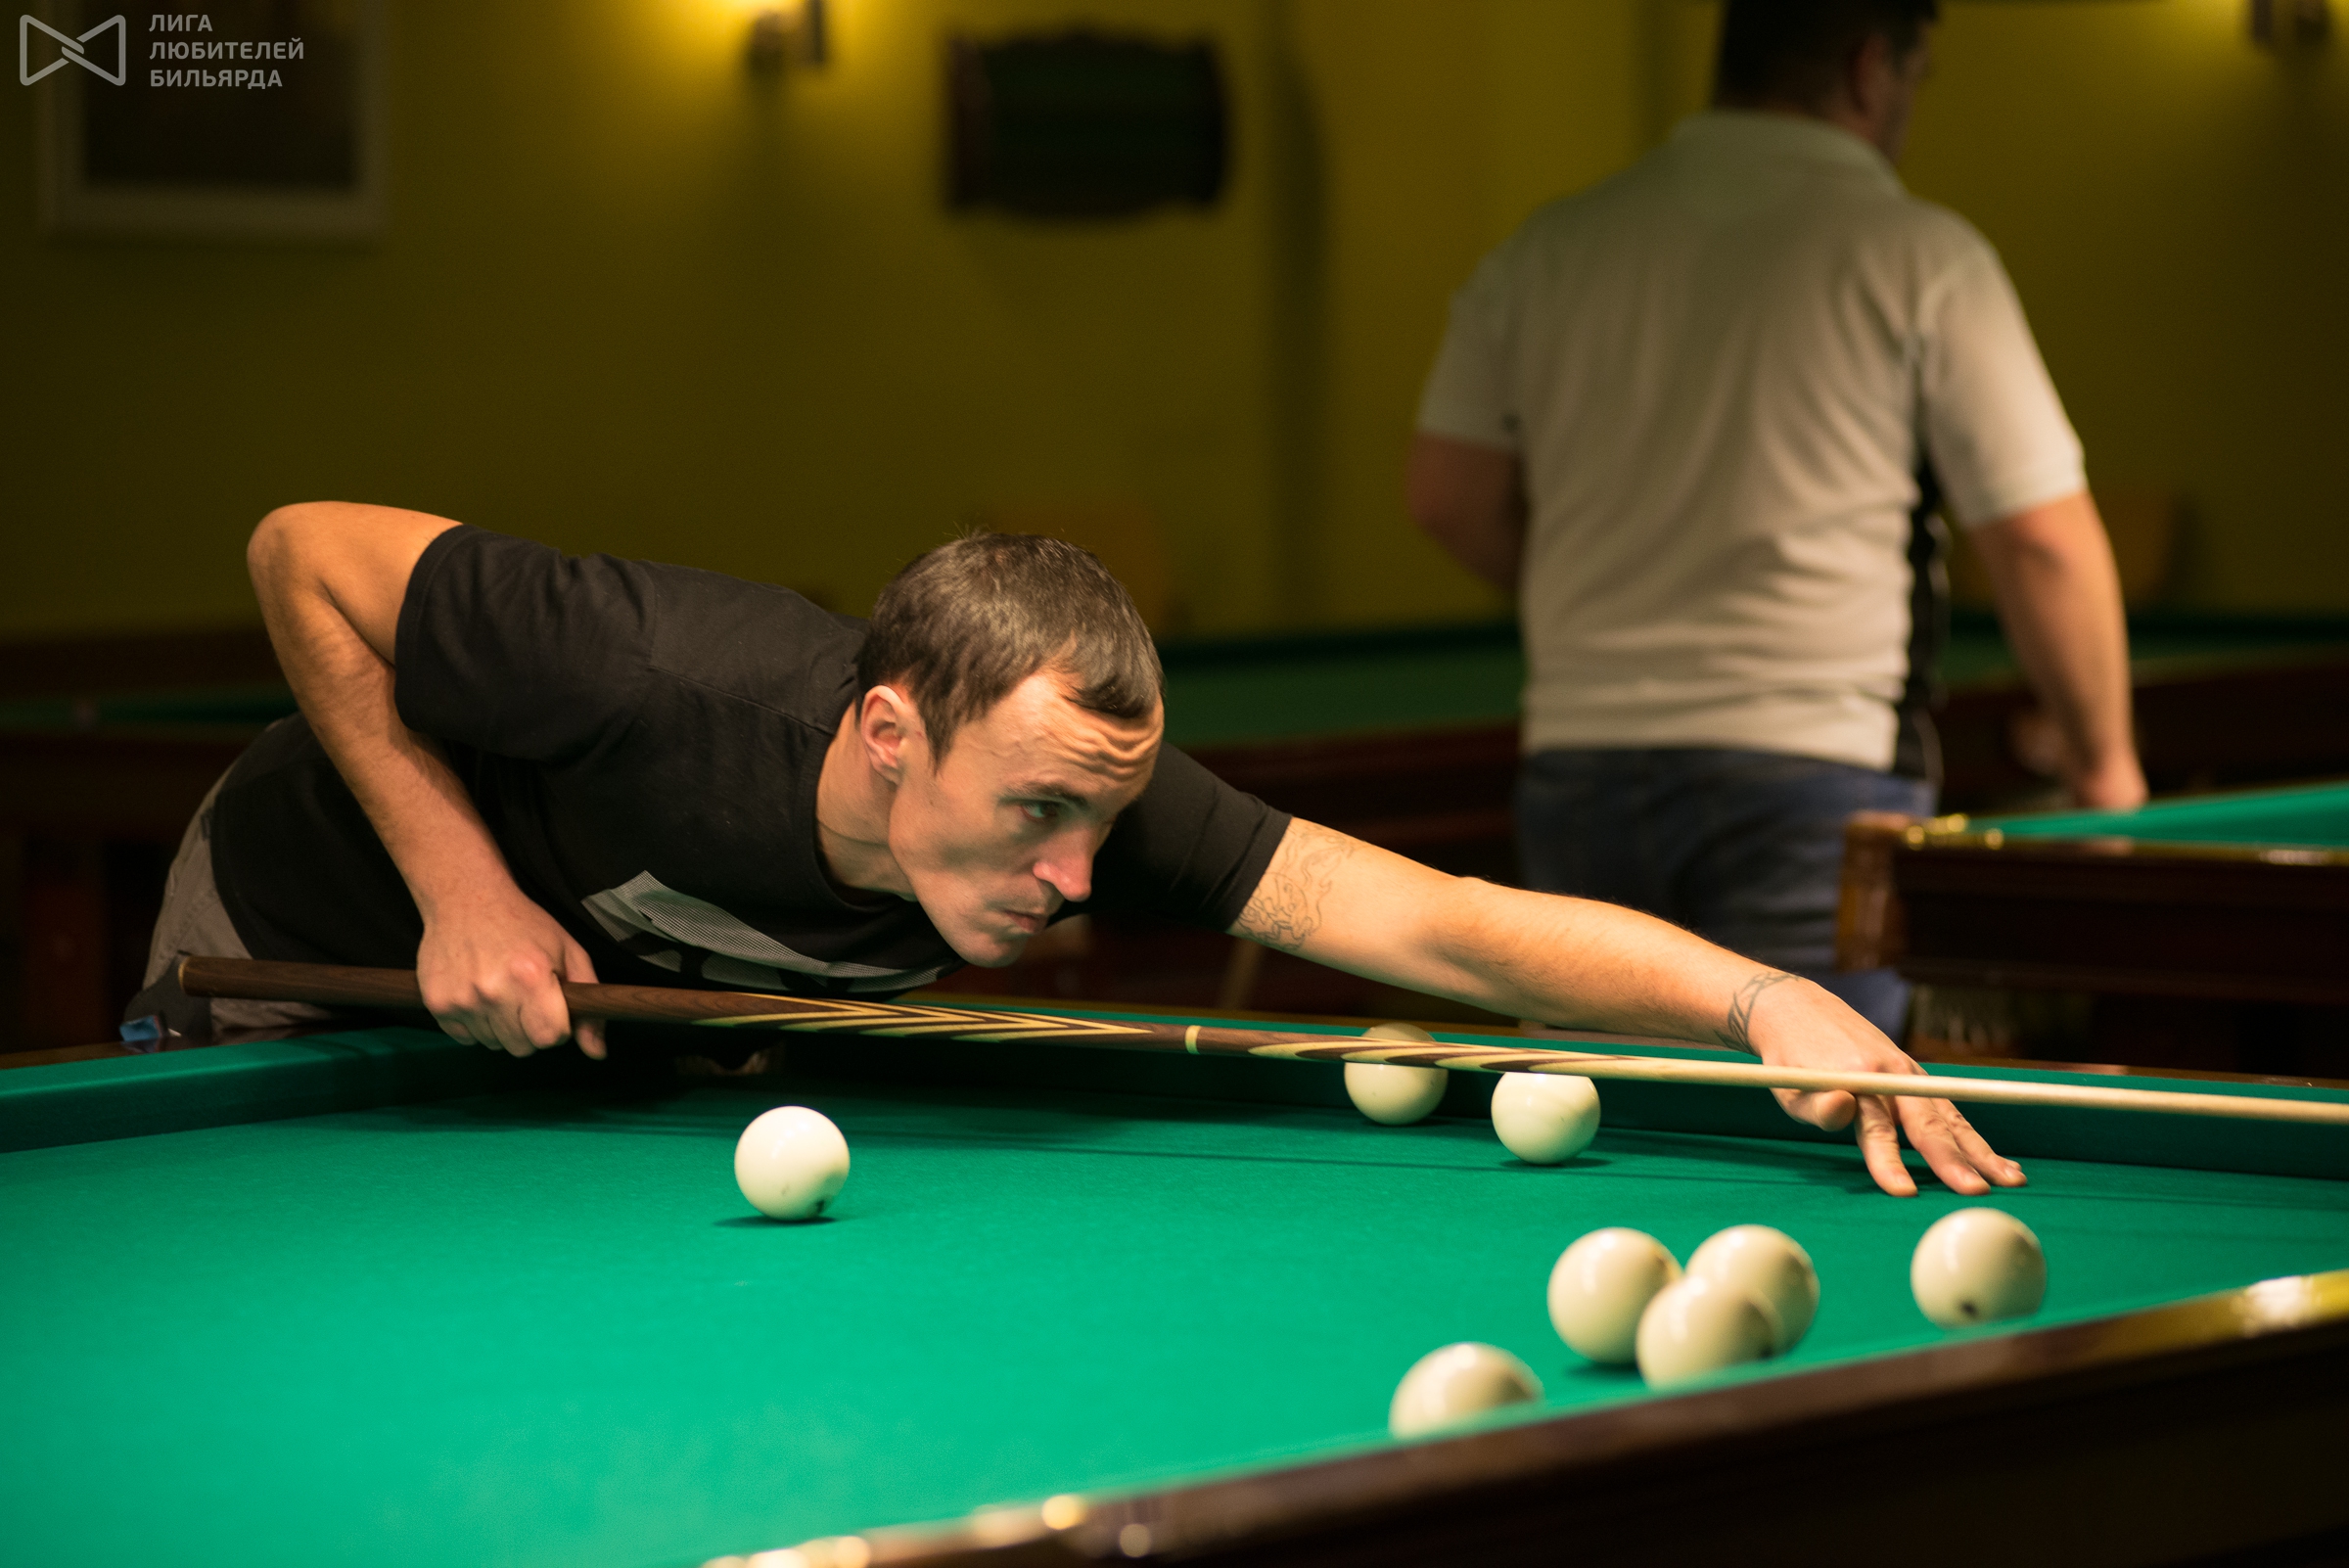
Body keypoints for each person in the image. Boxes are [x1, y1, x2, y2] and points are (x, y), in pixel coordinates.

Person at [130, 501, 2025, 1198]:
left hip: (582, 1023)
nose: (1078, 876)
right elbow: (303, 554)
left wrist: (1761, 995)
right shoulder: (643, 671)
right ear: (891, 732)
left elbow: (1440, 923)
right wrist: (459, 885)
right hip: (300, 932)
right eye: (1036, 813)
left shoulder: (1087, 793)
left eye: (1103, 820)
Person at [1407, 0, 2146, 1041]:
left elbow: (1445, 498)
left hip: (1582, 760)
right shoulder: (1922, 254)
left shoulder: (1547, 247)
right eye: (1917, 78)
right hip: (1815, 770)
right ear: (1868, 68)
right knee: (1823, 1105)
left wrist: (1605, 595)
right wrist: (2106, 769)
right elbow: (2041, 541)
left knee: (1599, 1103)